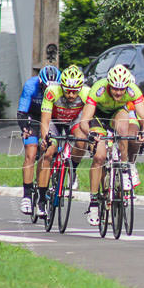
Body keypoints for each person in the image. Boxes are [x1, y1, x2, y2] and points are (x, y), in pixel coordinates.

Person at [77, 64, 144, 226]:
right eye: (115, 89)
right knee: (99, 157)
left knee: (124, 128)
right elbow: (84, 120)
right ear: (109, 85)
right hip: (98, 118)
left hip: (117, 114)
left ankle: (125, 168)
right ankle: (94, 202)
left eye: (122, 89)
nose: (118, 92)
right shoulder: (98, 89)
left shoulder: (133, 90)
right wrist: (90, 133)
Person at [34, 65, 90, 217]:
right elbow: (45, 120)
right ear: (62, 86)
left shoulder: (86, 92)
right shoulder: (52, 91)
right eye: (68, 91)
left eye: (75, 91)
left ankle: (73, 170)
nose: (71, 95)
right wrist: (46, 138)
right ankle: (41, 200)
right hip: (54, 121)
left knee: (82, 140)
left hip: (73, 121)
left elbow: (87, 119)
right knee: (49, 152)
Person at [17, 65, 61, 215]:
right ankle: (27, 196)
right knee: (31, 151)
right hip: (33, 117)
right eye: (44, 87)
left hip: (50, 118)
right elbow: (22, 111)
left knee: (48, 152)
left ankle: (43, 197)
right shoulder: (31, 85)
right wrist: (25, 128)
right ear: (40, 83)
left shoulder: (61, 88)